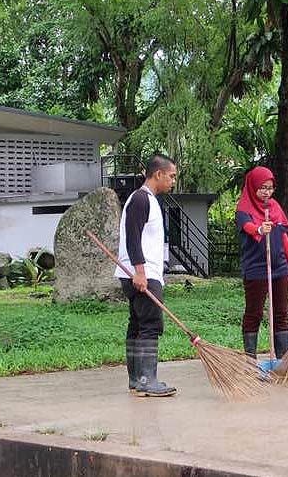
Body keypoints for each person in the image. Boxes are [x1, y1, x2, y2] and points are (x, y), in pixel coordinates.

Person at [116, 154, 178, 397]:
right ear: (158, 174)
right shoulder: (141, 199)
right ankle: (146, 379)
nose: (173, 181)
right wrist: (140, 272)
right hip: (142, 274)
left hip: (139, 272)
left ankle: (136, 380)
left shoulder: (148, 200)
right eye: (171, 176)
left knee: (138, 324)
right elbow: (133, 238)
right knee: (151, 325)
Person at [236, 166, 288, 361]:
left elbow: (284, 238)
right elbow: (246, 226)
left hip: (279, 267)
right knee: (253, 313)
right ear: (253, 186)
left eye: (270, 188)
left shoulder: (275, 207)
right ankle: (250, 360)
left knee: (281, 313)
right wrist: (258, 229)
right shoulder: (243, 208)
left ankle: (283, 361)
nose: (267, 192)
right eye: (262, 188)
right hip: (256, 268)